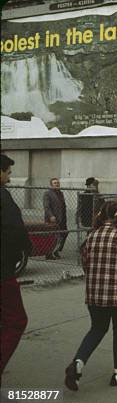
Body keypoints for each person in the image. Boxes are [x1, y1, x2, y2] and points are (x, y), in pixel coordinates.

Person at [64, 201, 117, 391]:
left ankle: (78, 362)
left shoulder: (91, 236)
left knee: (97, 329)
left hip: (95, 295)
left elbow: (86, 264)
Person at [1, 154, 32, 380]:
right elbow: (16, 232)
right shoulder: (3, 197)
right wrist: (24, 248)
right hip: (2, 274)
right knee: (16, 320)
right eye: (8, 172)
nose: (9, 178)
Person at [43, 177, 68, 260]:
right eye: (55, 183)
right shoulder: (47, 193)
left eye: (57, 183)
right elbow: (46, 206)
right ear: (51, 185)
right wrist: (51, 216)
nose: (57, 184)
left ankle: (56, 250)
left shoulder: (61, 193)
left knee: (64, 233)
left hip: (62, 218)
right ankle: (49, 253)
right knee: (52, 236)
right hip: (53, 218)